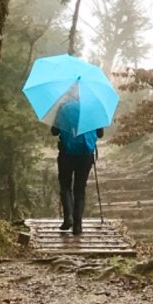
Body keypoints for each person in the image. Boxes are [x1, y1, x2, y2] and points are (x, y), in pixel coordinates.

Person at [51, 97, 104, 236]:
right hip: (86, 154)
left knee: (65, 185)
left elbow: (54, 131)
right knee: (80, 189)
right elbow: (100, 134)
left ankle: (68, 218)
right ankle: (78, 226)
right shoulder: (93, 109)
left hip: (66, 153)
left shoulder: (64, 108)